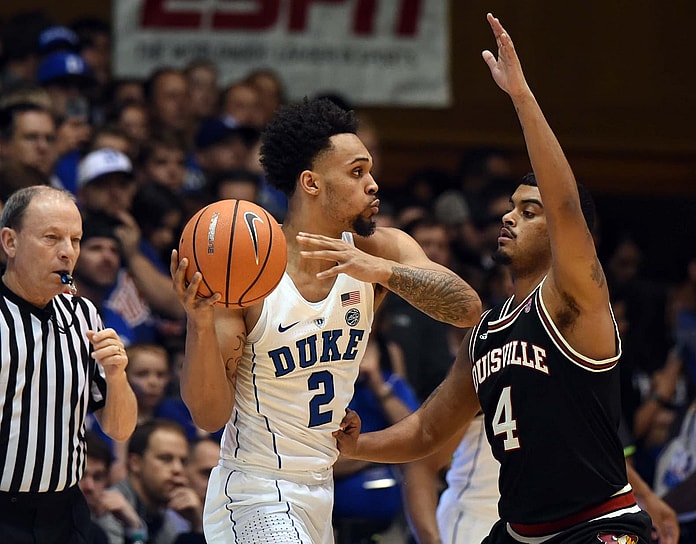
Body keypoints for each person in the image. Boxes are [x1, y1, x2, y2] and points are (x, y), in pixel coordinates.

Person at [335, 14, 655, 543]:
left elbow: (565, 204)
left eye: (529, 212)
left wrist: (521, 98)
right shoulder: (485, 332)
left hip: (595, 525)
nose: (509, 217)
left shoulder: (576, 301)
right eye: (512, 207)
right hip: (517, 531)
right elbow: (429, 430)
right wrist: (358, 445)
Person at [170, 96, 482, 543]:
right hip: (255, 491)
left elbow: (467, 309)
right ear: (311, 183)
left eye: (370, 171)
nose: (373, 184)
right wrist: (200, 326)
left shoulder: (379, 251)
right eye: (356, 172)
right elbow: (208, 415)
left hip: (320, 490)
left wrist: (382, 272)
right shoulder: (248, 270)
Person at [0, 185, 137, 543]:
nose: (67, 252)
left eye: (75, 240)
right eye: (51, 238)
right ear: (10, 242)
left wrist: (117, 376)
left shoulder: (85, 314)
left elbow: (119, 429)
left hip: (65, 513)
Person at [97, 419, 204, 544]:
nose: (178, 469)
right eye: (165, 459)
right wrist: (134, 529)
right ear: (135, 463)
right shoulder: (112, 510)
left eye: (183, 461)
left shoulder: (166, 515)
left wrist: (198, 526)